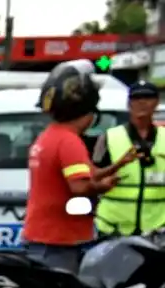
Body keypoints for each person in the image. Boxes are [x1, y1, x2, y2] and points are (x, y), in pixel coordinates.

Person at [23, 59, 139, 274]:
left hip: (42, 239)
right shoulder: (70, 142)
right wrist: (103, 188)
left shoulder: (49, 137)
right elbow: (80, 186)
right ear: (86, 111)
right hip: (59, 242)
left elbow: (90, 173)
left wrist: (117, 165)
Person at [92, 80, 165, 238]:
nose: (142, 102)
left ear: (156, 103)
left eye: (148, 97)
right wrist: (118, 165)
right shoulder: (109, 137)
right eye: (136, 98)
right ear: (129, 103)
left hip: (157, 229)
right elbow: (93, 175)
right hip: (113, 227)